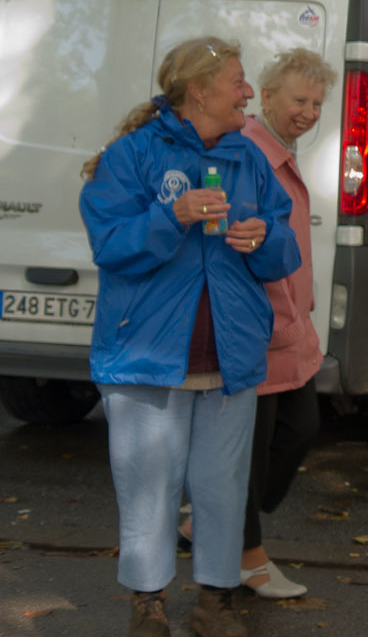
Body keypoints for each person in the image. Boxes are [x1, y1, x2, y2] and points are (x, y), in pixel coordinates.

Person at [80, 37, 300, 637]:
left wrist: (262, 236)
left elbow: (284, 244)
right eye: (237, 80)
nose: (248, 91)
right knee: (148, 489)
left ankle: (215, 602)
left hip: (229, 356)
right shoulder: (131, 155)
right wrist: (169, 217)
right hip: (146, 356)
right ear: (198, 91)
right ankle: (147, 606)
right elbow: (111, 245)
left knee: (223, 486)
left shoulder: (248, 157)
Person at [180, 49, 334, 598]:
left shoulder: (279, 152)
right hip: (255, 328)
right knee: (250, 450)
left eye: (317, 103)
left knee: (300, 430)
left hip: (290, 324)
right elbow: (229, 240)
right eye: (299, 100)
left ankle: (210, 519)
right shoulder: (244, 154)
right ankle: (248, 557)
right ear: (266, 96)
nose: (310, 112)